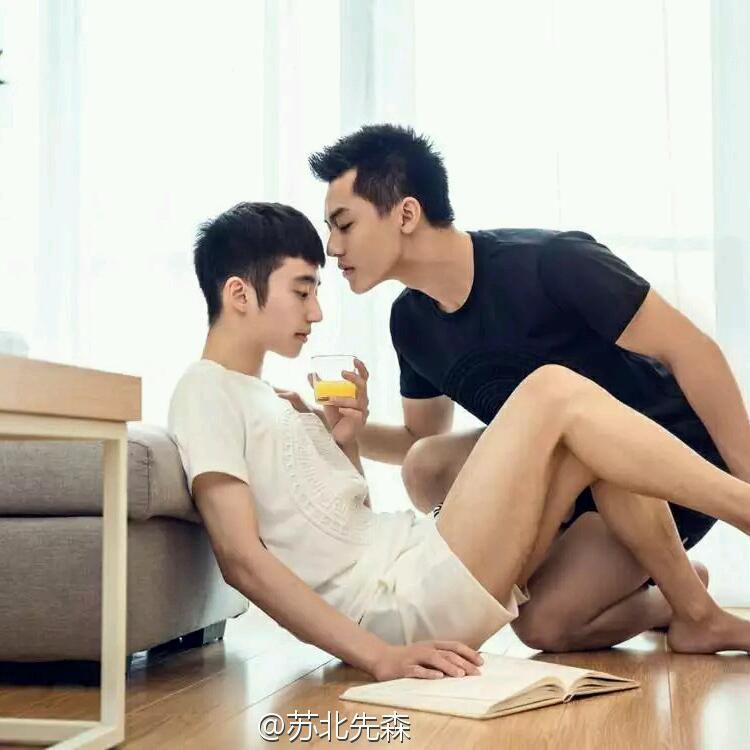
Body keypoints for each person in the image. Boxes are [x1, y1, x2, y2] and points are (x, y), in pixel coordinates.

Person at [168, 202, 750, 687]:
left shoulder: (277, 400)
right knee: (552, 391)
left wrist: (346, 441)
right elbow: (243, 562)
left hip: (412, 557)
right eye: (302, 291)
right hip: (400, 600)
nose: (316, 311)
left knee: (580, 444)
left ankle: (691, 609)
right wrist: (379, 657)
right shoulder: (205, 390)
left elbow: (347, 525)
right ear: (239, 294)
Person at [308, 124, 750, 651]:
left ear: (405, 214)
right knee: (535, 618)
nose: (332, 247)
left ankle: (698, 592)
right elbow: (417, 439)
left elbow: (692, 350)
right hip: (574, 480)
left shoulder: (551, 263)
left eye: (344, 224)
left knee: (562, 411)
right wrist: (343, 428)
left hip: (665, 463)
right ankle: (674, 596)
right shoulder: (411, 321)